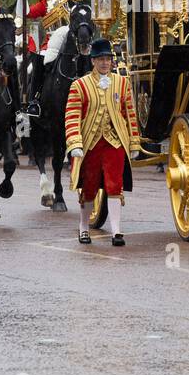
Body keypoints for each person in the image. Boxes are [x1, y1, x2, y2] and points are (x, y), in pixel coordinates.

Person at [65, 38, 139, 246]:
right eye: (100, 59)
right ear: (93, 61)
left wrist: (133, 142)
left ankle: (116, 231)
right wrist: (75, 143)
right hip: (90, 143)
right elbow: (72, 116)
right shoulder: (79, 85)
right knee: (89, 187)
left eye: (107, 59)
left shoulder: (122, 83)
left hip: (115, 143)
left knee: (115, 185)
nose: (105, 63)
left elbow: (129, 114)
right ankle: (84, 226)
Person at [21, 0, 82, 117]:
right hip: (50, 43)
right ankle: (35, 100)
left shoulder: (75, 1)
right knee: (36, 65)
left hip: (74, 42)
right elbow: (26, 14)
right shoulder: (45, 3)